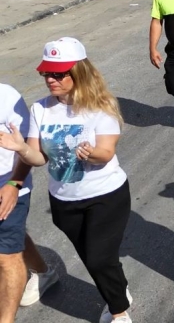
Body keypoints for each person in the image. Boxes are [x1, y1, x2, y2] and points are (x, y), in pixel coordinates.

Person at [0, 38, 133, 322]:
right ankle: (117, 287)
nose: (50, 79)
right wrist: (21, 148)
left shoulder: (101, 106)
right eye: (46, 73)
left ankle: (119, 311)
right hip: (63, 200)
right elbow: (38, 158)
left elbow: (107, 153)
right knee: (93, 257)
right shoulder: (41, 109)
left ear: (79, 72)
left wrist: (92, 153)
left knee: (98, 258)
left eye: (58, 73)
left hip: (105, 196)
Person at [0, 83, 36, 323]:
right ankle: (44, 272)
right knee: (11, 240)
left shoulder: (6, 96)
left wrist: (15, 185)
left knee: (6, 257)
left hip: (7, 185)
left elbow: (27, 146)